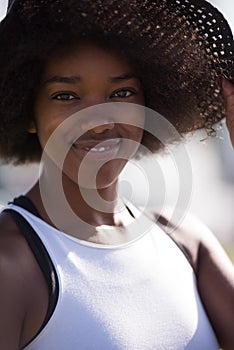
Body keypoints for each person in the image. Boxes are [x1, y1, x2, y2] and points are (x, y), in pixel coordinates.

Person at [0, 1, 234, 349]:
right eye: (66, 96)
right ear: (27, 112)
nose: (100, 120)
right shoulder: (11, 265)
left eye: (121, 93)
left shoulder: (185, 243)